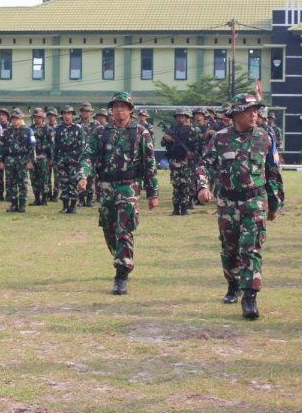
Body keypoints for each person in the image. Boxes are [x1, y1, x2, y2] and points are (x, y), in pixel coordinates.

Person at [196, 92, 284, 319]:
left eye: (256, 111)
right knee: (230, 249)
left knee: (251, 248)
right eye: (249, 111)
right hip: (227, 202)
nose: (254, 115)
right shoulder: (220, 138)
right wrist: (203, 187)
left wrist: (275, 204)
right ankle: (233, 283)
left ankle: (250, 297)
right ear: (235, 114)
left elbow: (273, 173)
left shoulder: (265, 138)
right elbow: (204, 166)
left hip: (254, 201)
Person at [77, 92, 159, 295]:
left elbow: (150, 164)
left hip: (128, 186)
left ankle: (121, 273)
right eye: (116, 107)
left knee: (124, 229)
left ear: (131, 110)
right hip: (106, 186)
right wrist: (83, 175)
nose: (119, 110)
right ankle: (120, 256)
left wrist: (153, 192)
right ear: (111, 110)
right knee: (109, 228)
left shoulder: (141, 132)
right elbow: (88, 156)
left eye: (124, 106)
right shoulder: (100, 132)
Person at [52, 106, 88, 214]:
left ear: (72, 115)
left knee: (73, 182)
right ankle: (65, 206)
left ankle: (72, 206)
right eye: (65, 114)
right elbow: (55, 146)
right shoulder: (58, 129)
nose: (67, 116)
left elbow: (82, 146)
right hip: (61, 161)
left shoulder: (78, 128)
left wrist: (78, 160)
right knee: (63, 183)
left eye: (69, 114)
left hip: (74, 161)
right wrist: (55, 160)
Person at [161, 110, 198, 215]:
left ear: (186, 117)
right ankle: (176, 209)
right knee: (176, 185)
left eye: (182, 116)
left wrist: (192, 154)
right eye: (178, 116)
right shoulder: (172, 129)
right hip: (174, 160)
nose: (180, 118)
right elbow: (163, 143)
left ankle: (184, 208)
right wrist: (166, 139)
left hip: (187, 161)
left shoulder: (192, 130)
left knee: (186, 185)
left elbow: (197, 145)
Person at [0, 108, 35, 213]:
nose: (15, 121)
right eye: (13, 119)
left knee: (22, 183)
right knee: (11, 183)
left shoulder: (28, 130)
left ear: (21, 119)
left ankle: (22, 205)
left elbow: (32, 147)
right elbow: (2, 147)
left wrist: (30, 161)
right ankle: (14, 204)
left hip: (23, 159)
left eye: (17, 118)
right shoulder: (6, 131)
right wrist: (1, 161)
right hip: (10, 159)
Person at [30, 108, 52, 206]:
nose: (37, 119)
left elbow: (51, 144)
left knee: (44, 178)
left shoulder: (48, 129)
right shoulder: (30, 129)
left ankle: (44, 199)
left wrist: (50, 158)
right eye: (35, 117)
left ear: (43, 118)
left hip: (43, 157)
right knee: (34, 178)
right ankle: (36, 198)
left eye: (39, 117)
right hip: (33, 157)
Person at [0, 107, 11, 201]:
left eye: (3, 115)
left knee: (9, 177)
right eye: (0, 115)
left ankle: (9, 194)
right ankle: (0, 195)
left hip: (9, 155)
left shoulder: (11, 127)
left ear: (7, 117)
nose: (1, 117)